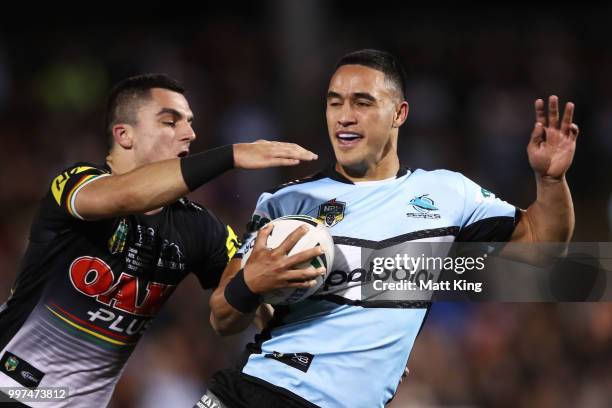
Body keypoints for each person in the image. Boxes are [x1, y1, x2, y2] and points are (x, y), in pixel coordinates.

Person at [199, 49, 579, 408]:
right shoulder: (287, 203)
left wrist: (549, 180)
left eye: (362, 102)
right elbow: (222, 317)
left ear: (399, 113)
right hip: (256, 392)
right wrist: (252, 282)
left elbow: (543, 245)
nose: (344, 116)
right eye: (335, 102)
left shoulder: (447, 193)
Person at [0, 73, 319, 407]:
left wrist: (257, 289)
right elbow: (129, 194)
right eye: (170, 122)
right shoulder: (75, 183)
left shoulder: (199, 227)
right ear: (124, 135)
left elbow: (230, 315)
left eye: (190, 123)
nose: (190, 133)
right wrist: (232, 155)